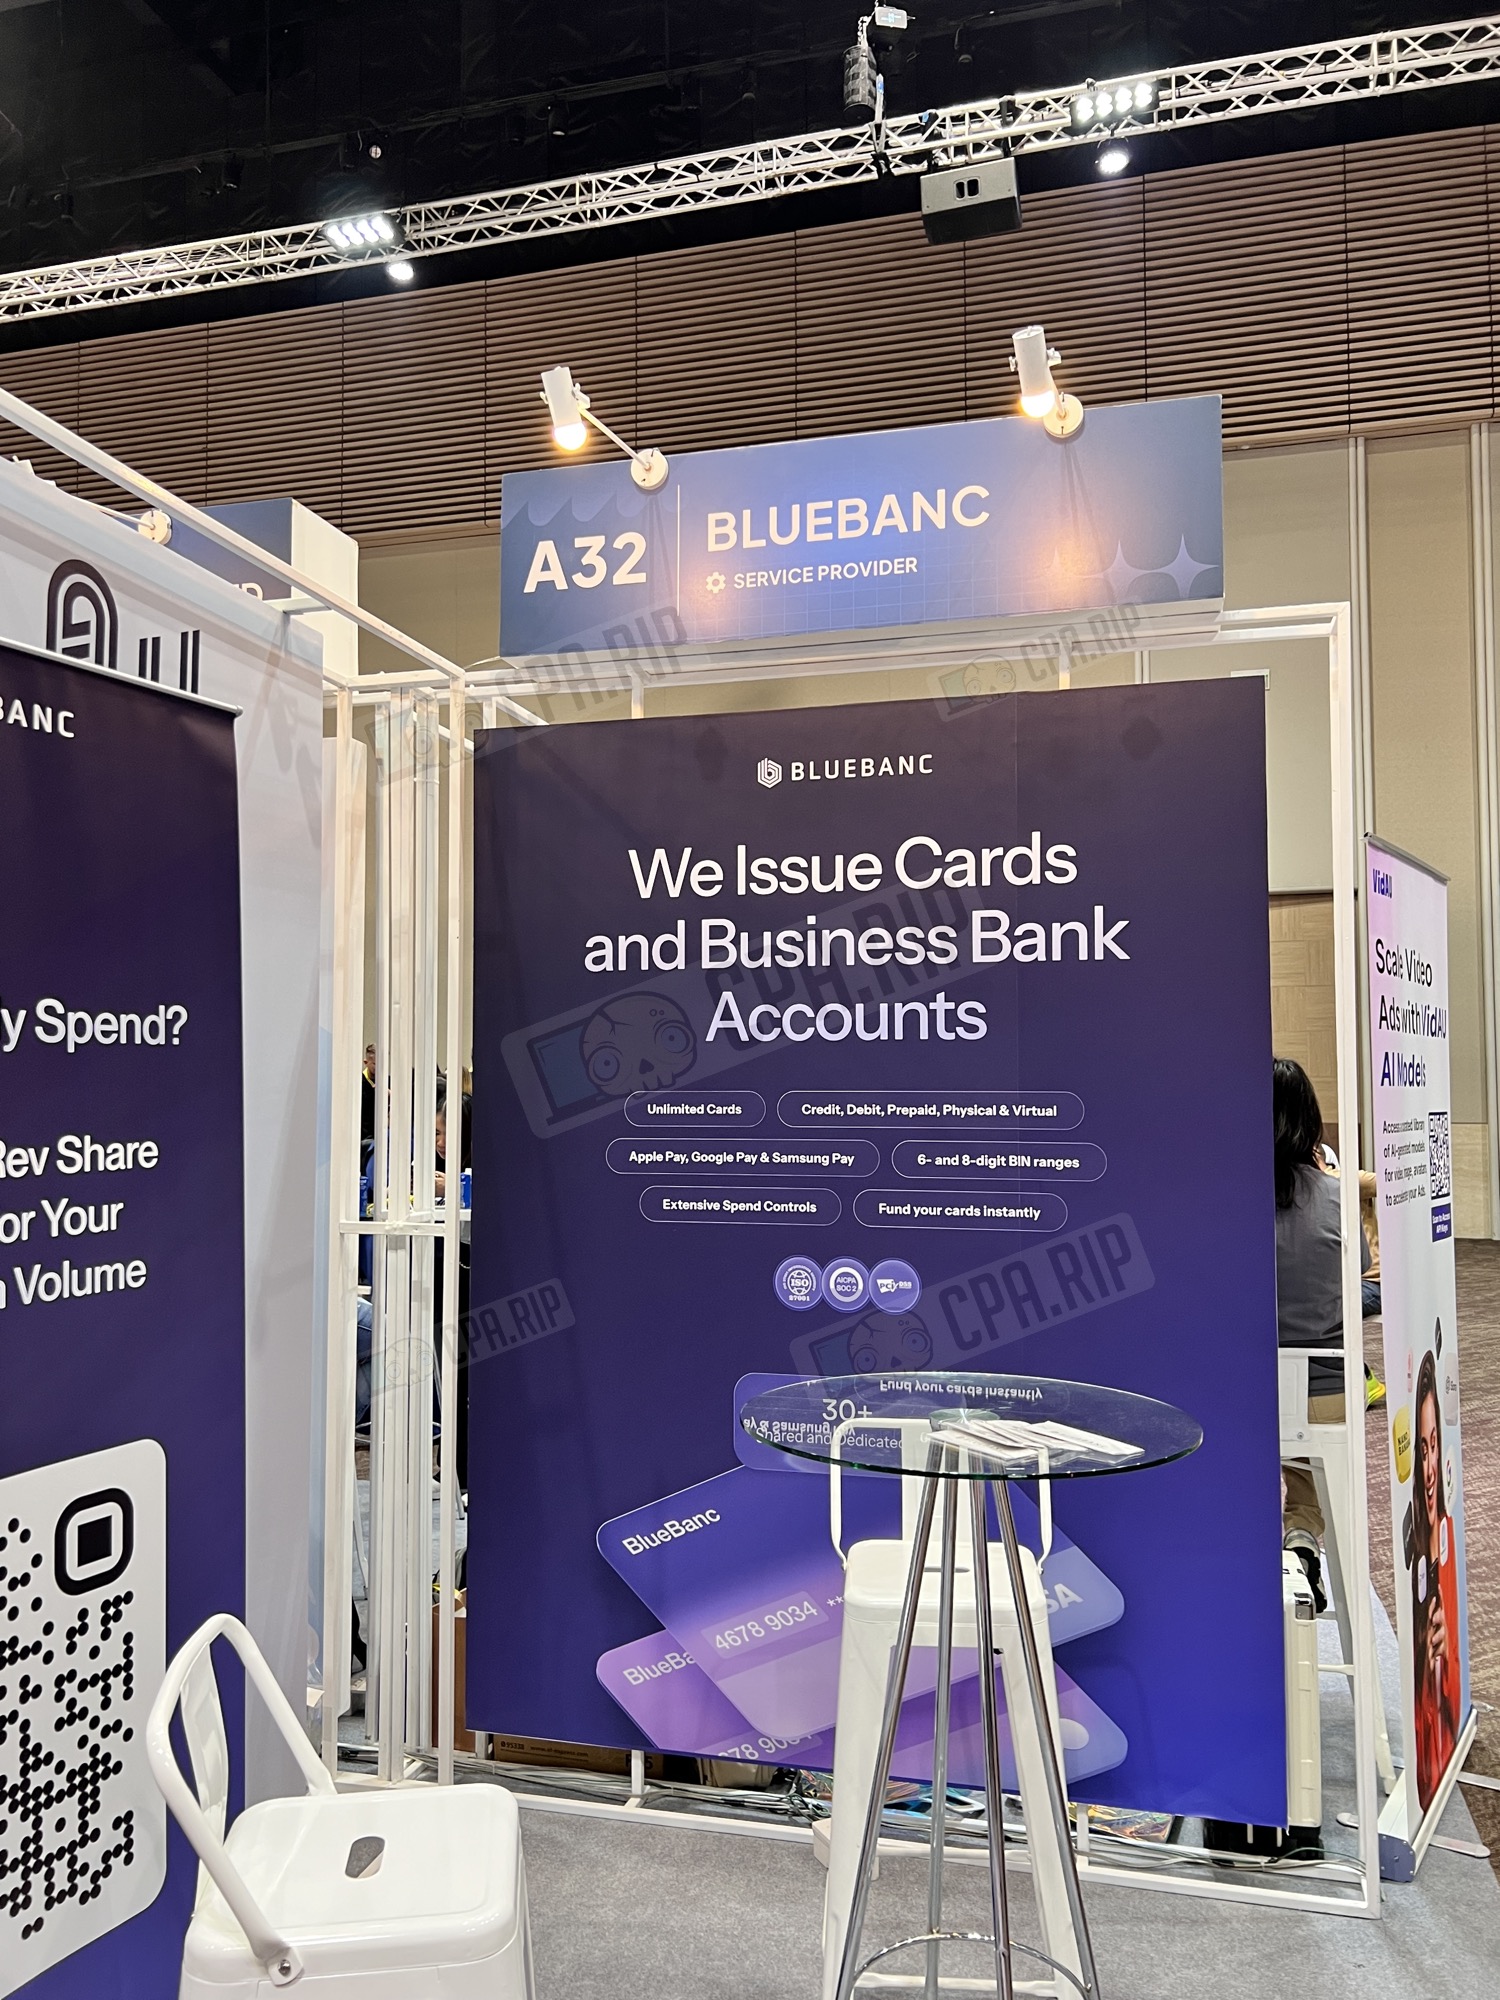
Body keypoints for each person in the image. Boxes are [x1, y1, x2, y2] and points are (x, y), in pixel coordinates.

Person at [1274, 1057, 1370, 1612]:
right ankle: (1302, 1539)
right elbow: (1357, 1276)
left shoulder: (1220, 1198)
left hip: (1244, 1386)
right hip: (1327, 1388)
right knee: (1304, 1455)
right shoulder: (1337, 1198)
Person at [1411, 1348, 1461, 1808]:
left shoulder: (1446, 1541)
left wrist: (1443, 1661)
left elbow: (1452, 1695)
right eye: (1421, 1450)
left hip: (1439, 1743)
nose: (1429, 1469)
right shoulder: (1413, 1550)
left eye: (1433, 1445)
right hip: (1423, 1741)